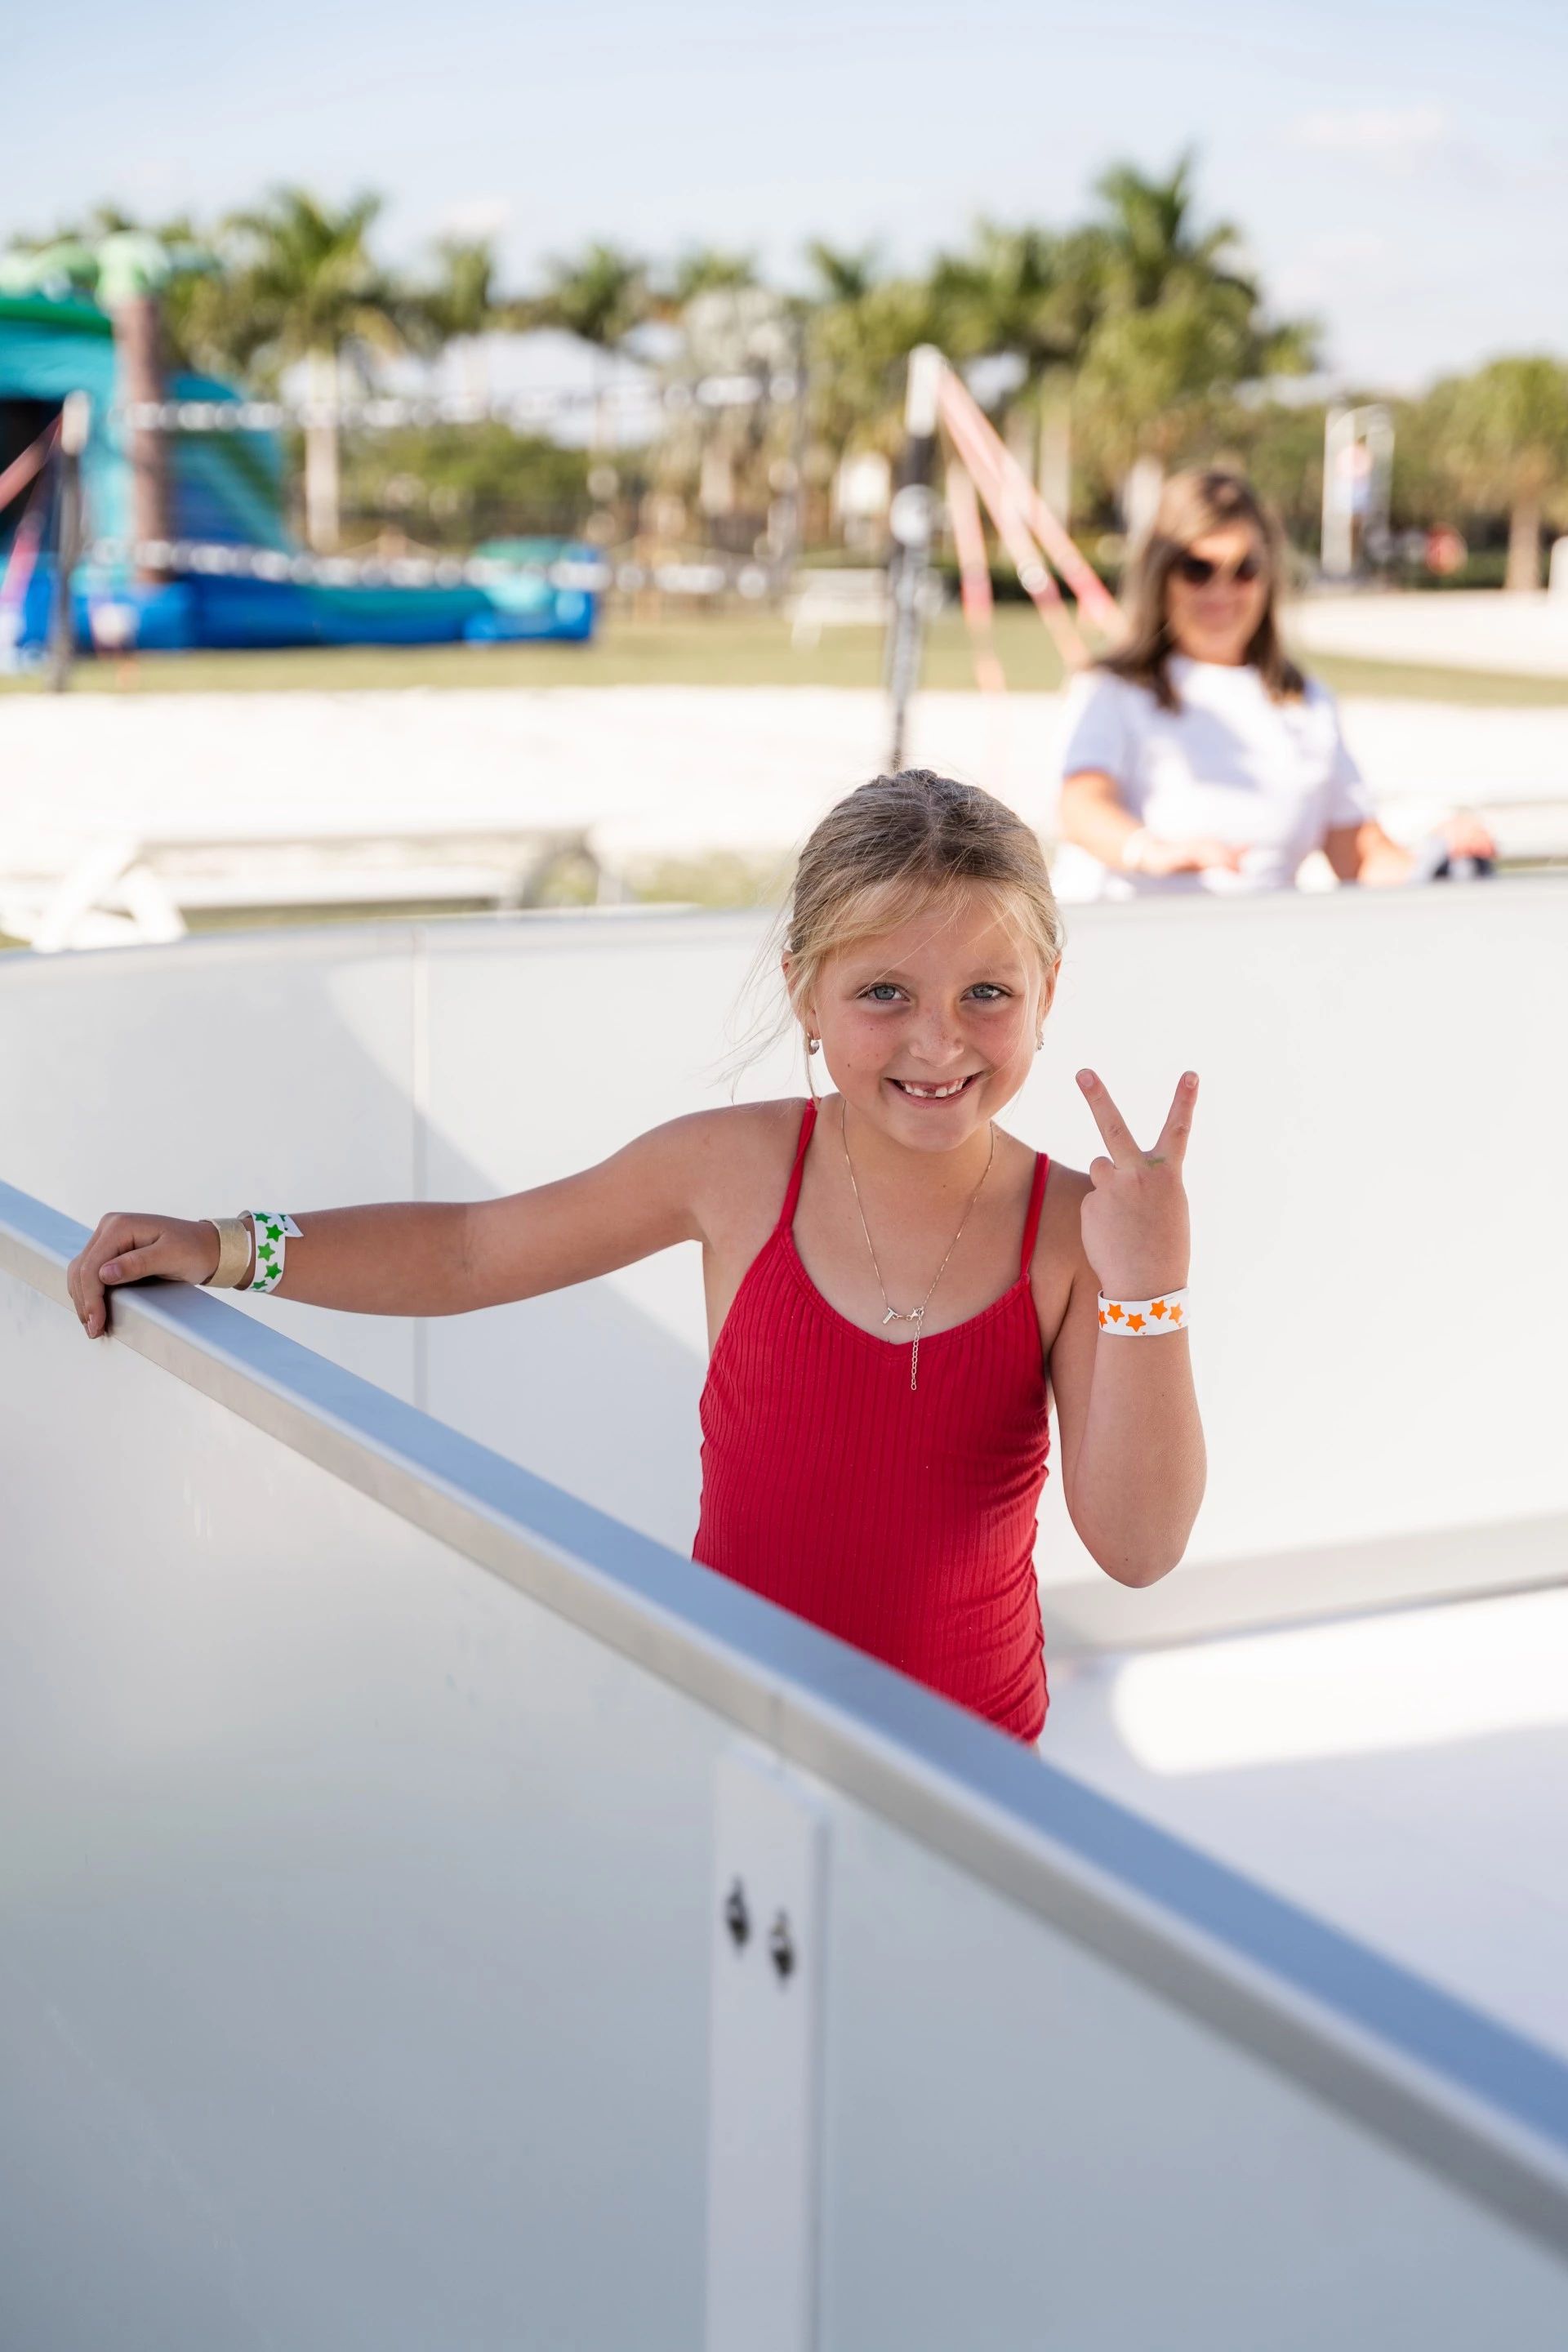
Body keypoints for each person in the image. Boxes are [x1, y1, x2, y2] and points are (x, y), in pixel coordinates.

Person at [65, 772, 1205, 1746]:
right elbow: (470, 1253)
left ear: (1048, 993)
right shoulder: (733, 1167)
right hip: (730, 1726)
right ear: (805, 990)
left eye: (987, 994)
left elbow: (1141, 1550)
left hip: (977, 1769)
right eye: (884, 994)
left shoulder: (1076, 1229)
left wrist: (1150, 1293)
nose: (938, 1041)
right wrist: (228, 1246)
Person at [1053, 468, 1494, 899]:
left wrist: (1438, 855)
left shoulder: (1306, 700)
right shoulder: (1111, 688)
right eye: (1198, 569)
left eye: (1244, 569)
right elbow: (1082, 809)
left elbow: (1358, 856)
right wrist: (1153, 852)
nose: (1222, 591)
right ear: (1161, 574)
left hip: (1259, 950)